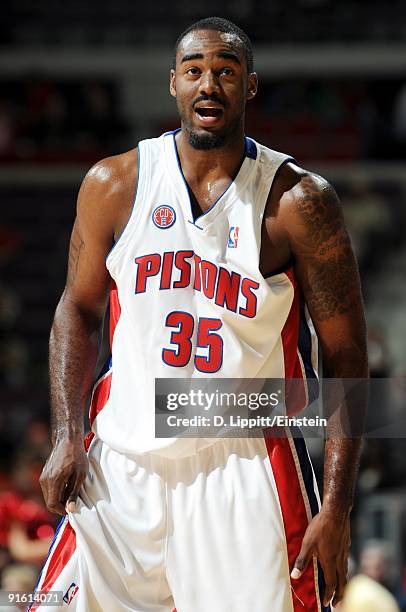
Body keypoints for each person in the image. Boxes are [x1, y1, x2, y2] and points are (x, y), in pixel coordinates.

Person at [35, 16, 367, 612]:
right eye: (195, 71)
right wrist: (66, 433)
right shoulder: (114, 183)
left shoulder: (298, 201)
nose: (209, 84)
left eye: (226, 72)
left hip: (242, 462)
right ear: (173, 84)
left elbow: (346, 355)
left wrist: (338, 503)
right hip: (123, 456)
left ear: (251, 86)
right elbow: (77, 308)